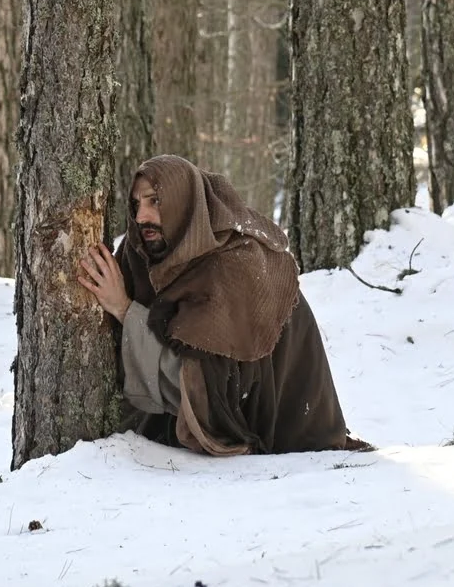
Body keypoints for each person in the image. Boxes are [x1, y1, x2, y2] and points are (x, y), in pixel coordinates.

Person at [78, 154, 370, 456]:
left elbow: (199, 388)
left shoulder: (232, 266)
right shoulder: (145, 253)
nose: (141, 217)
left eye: (155, 201)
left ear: (184, 204)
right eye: (137, 204)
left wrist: (125, 309)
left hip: (286, 426)